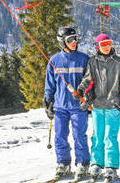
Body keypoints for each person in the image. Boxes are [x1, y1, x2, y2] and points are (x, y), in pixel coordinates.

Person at [77, 34, 120, 181]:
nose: (107, 47)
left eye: (109, 43)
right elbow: (87, 79)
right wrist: (82, 89)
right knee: (97, 137)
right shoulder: (93, 62)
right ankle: (96, 164)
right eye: (104, 44)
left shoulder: (119, 63)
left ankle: (111, 167)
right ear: (98, 46)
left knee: (109, 137)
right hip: (97, 106)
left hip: (114, 106)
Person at [44, 26, 90, 181]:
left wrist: (88, 98)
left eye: (75, 38)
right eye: (70, 40)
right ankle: (63, 163)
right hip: (60, 107)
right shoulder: (54, 61)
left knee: (79, 135)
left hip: (78, 106)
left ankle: (82, 163)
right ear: (62, 42)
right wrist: (48, 102)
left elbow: (91, 81)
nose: (74, 42)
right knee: (60, 136)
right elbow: (50, 85)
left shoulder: (84, 59)